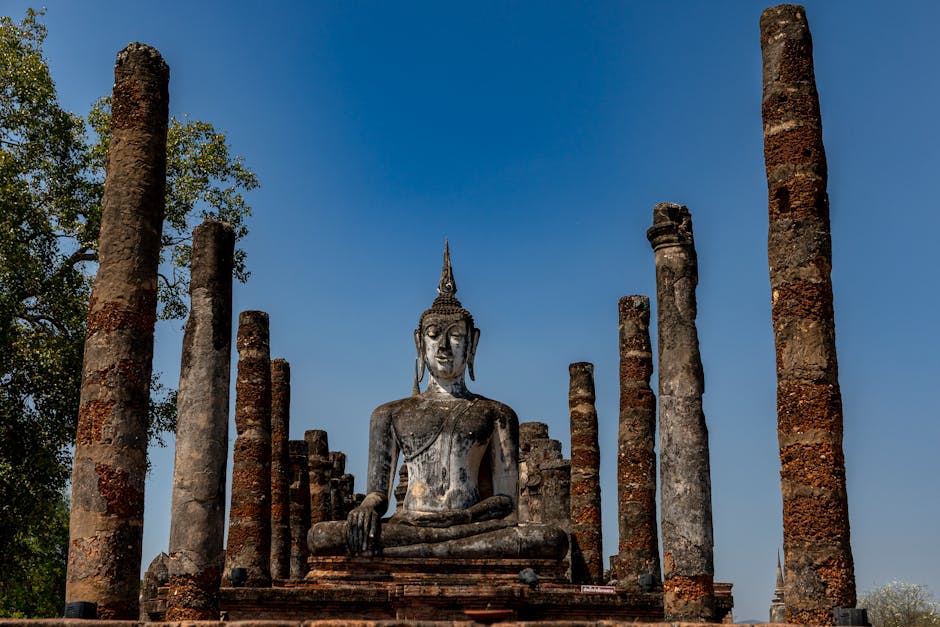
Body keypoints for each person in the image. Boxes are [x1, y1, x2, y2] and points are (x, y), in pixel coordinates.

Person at [308, 244, 566, 559]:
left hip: (470, 526)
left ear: (473, 344)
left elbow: (506, 502)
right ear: (419, 343)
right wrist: (365, 508)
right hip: (410, 525)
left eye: (455, 335)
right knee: (321, 536)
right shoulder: (390, 414)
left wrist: (460, 519)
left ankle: (427, 550)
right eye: (433, 334)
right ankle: (430, 548)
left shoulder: (496, 414)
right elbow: (379, 494)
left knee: (549, 539)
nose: (443, 346)